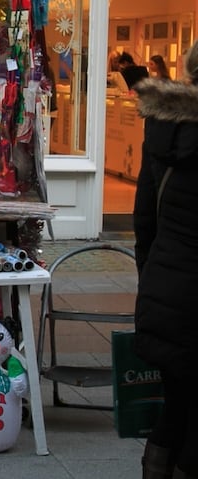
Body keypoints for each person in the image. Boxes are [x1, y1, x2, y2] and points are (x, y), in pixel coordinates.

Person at [133, 42, 198, 479]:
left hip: (167, 287)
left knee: (176, 404)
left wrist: (151, 280)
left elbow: (144, 219)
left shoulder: (163, 128)